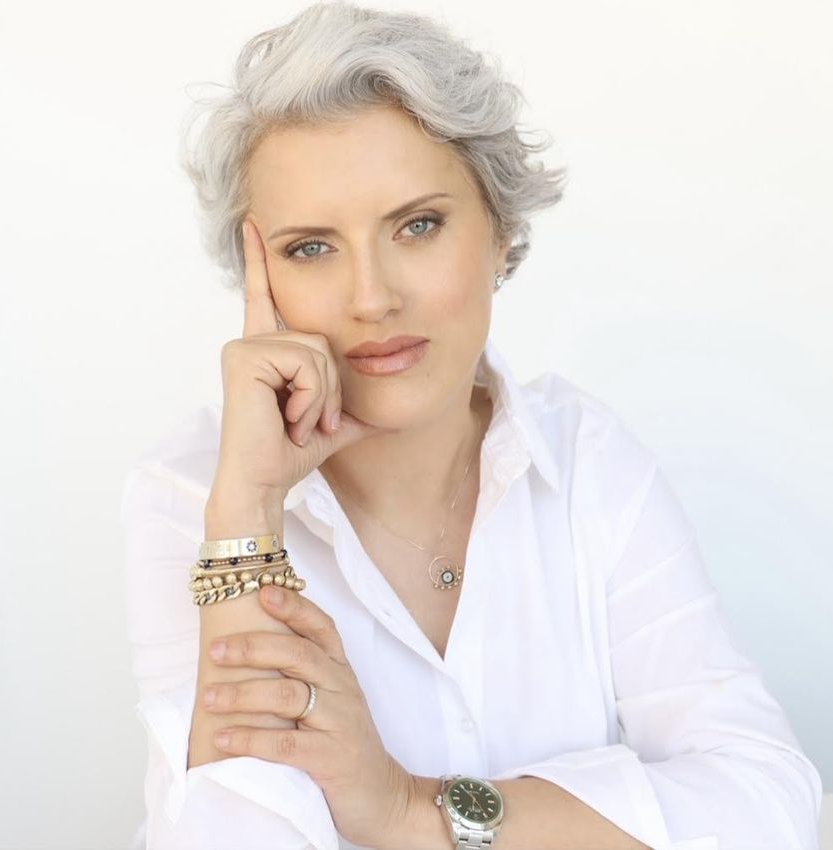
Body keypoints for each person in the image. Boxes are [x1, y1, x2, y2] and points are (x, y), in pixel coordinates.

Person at [120, 2, 823, 849]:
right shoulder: (197, 493)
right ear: (257, 281)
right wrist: (249, 514)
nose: (372, 297)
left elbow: (768, 803)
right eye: (312, 247)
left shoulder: (586, 461)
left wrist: (410, 810)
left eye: (418, 225)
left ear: (500, 234)